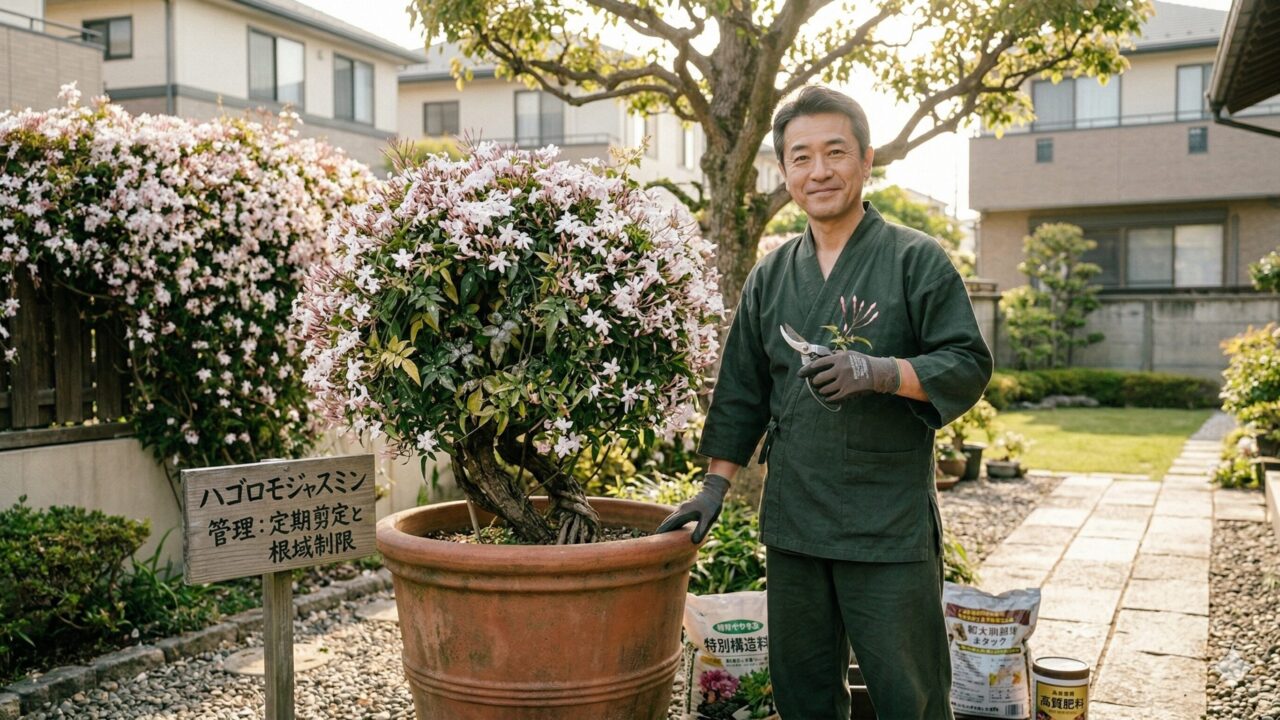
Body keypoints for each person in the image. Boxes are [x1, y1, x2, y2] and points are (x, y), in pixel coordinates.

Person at [657, 85, 993, 719]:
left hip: (886, 520)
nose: (819, 171)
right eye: (801, 157)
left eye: (835, 152)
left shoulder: (914, 259)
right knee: (803, 690)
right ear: (784, 172)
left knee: (909, 694)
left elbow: (968, 363)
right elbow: (741, 390)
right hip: (797, 519)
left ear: (866, 161)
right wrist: (713, 487)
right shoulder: (771, 274)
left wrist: (883, 371)